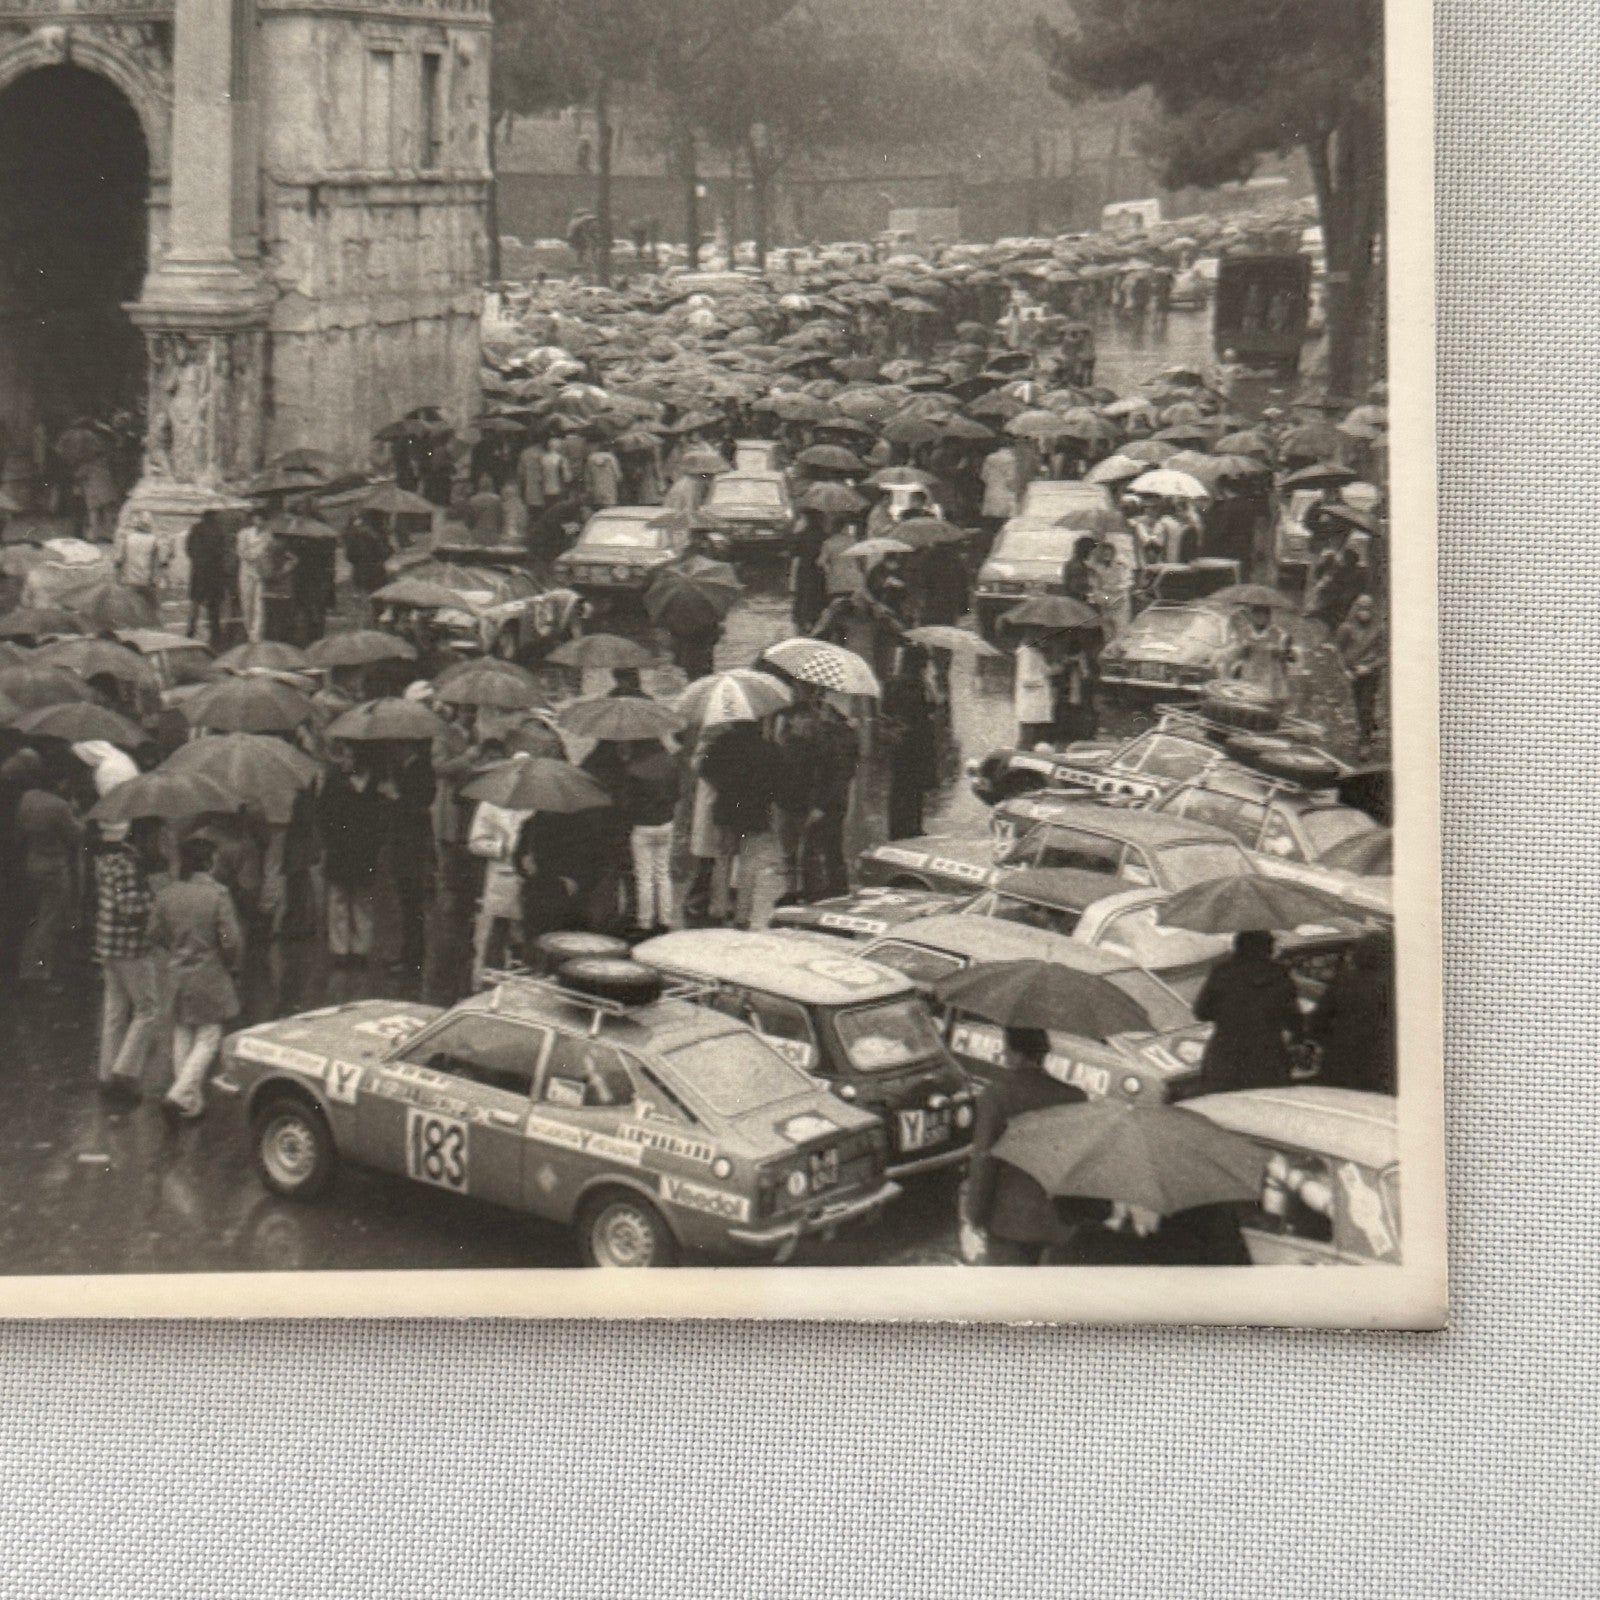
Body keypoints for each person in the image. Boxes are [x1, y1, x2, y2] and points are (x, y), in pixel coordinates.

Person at [961, 1026, 1087, 1265]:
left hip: (1009, 1222)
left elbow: (984, 1162)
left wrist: (974, 1216)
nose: (1003, 1053)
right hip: (1058, 1222)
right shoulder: (1074, 1096)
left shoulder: (996, 1096)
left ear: (1017, 1054)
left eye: (1005, 1047)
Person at [149, 836, 241, 1119]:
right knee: (209, 1036)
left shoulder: (167, 894)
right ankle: (179, 1094)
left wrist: (177, 947)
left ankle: (190, 1103)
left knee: (183, 1032)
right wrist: (230, 963)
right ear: (209, 862)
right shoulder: (218, 895)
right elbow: (231, 940)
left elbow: (154, 932)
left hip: (177, 972)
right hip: (209, 973)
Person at [93, 819, 161, 1101]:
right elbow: (131, 908)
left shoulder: (106, 861)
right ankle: (124, 1072)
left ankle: (106, 1073)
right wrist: (154, 902)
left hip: (107, 944)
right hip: (130, 946)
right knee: (147, 1009)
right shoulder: (129, 866)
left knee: (115, 1011)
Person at [1190, 929, 1305, 1094]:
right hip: (1267, 1055)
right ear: (1267, 948)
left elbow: (1201, 1012)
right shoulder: (1279, 974)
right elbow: (1294, 1019)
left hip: (1226, 1053)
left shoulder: (1222, 972)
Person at [697, 720, 785, 930]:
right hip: (754, 813)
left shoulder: (721, 744)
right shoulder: (768, 748)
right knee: (748, 863)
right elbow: (779, 780)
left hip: (726, 809)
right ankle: (742, 914)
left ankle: (719, 908)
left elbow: (704, 771)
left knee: (723, 860)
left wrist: (722, 788)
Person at [317, 745, 385, 966]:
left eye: (348, 756)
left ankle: (359, 949)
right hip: (340, 848)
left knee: (361, 900)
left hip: (363, 850)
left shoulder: (374, 785)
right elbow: (323, 814)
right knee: (340, 899)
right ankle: (341, 949)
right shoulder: (335, 781)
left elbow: (380, 821)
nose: (344, 761)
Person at [15, 770, 82, 989]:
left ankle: (31, 966)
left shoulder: (28, 797)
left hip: (32, 859)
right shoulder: (59, 806)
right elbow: (76, 834)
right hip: (54, 865)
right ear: (60, 781)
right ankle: (37, 972)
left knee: (38, 916)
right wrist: (77, 813)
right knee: (49, 920)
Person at [1309, 931, 1395, 1094]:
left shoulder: (1343, 981)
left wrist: (1330, 1042)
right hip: (1378, 1068)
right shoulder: (1394, 987)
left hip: (1340, 1062)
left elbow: (1318, 1022)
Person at [380, 741, 436, 974]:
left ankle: (412, 958)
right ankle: (408, 955)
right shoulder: (406, 770)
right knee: (408, 905)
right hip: (405, 847)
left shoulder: (420, 770)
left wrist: (395, 797)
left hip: (412, 848)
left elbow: (420, 808)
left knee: (412, 905)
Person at [619, 742, 680, 937]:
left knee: (644, 877)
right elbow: (677, 794)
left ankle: (645, 922)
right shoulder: (671, 764)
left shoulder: (633, 769)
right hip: (666, 824)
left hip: (643, 826)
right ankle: (666, 919)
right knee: (663, 874)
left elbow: (626, 802)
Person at [880, 651, 937, 839]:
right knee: (915, 788)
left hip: (899, 741)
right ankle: (913, 827)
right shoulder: (918, 686)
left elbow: (885, 710)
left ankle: (896, 828)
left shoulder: (891, 684)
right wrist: (930, 687)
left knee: (899, 786)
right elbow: (932, 707)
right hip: (917, 742)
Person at [1334, 595, 1387, 747]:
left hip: (1370, 673)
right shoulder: (1346, 628)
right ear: (1356, 609)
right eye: (1361, 609)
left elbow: (1384, 655)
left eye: (1368, 609)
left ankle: (1365, 742)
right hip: (1353, 673)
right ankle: (1367, 726)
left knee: (1366, 705)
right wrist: (1345, 671)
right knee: (1358, 705)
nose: (1365, 613)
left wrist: (1369, 667)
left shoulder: (1378, 630)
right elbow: (1338, 651)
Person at [1226, 603, 1298, 701]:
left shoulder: (1277, 633)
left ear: (1268, 617)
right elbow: (1238, 654)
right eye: (1256, 615)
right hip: (1249, 672)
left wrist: (1279, 651)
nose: (1260, 618)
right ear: (1252, 616)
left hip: (1270, 675)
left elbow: (1287, 655)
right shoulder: (1245, 631)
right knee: (1248, 699)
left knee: (1266, 700)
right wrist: (1244, 649)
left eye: (1263, 615)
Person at [185, 510, 231, 643]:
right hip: (214, 572)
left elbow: (189, 548)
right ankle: (215, 633)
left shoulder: (196, 529)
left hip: (198, 571)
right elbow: (223, 550)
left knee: (195, 602)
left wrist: (197, 560)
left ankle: (190, 630)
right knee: (214, 605)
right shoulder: (220, 530)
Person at [113, 511, 165, 611]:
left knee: (129, 610)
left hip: (129, 580)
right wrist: (157, 580)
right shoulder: (153, 540)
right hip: (146, 581)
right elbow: (158, 562)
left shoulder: (128, 539)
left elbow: (118, 560)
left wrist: (117, 579)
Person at [1013, 633, 1058, 748]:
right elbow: (1026, 681)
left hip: (1038, 703)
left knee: (1037, 736)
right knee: (1028, 736)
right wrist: (1043, 680)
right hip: (1031, 702)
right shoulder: (1026, 654)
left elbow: (1044, 670)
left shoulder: (1037, 654)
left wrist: (1055, 668)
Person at [236, 513, 272, 642]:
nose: (259, 521)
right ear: (253, 519)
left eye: (262, 519)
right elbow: (241, 551)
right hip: (246, 571)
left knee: (259, 603)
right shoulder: (243, 534)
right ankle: (249, 630)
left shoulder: (268, 535)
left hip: (261, 572)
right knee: (246, 602)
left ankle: (256, 635)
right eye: (257, 518)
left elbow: (268, 551)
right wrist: (254, 555)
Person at [584, 442, 623, 512]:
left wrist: (589, 487)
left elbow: (588, 476)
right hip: (610, 488)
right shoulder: (611, 458)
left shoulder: (591, 458)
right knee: (610, 510)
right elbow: (618, 475)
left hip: (597, 488)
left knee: (598, 509)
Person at [1060, 534, 1098, 604]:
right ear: (1086, 551)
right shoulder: (1076, 566)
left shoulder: (1076, 563)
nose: (1093, 554)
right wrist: (1093, 590)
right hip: (1075, 603)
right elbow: (1075, 587)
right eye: (1092, 552)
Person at [467, 473, 504, 543]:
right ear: (491, 484)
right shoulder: (497, 500)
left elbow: (469, 522)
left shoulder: (472, 500)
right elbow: (501, 520)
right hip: (493, 535)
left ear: (479, 485)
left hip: (477, 535)